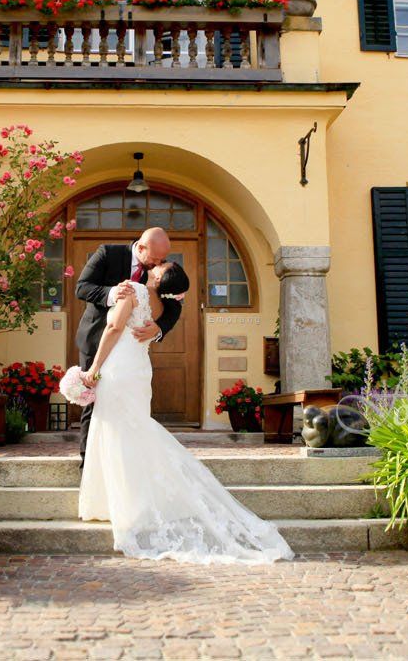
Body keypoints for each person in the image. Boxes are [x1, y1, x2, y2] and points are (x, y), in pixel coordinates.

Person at [76, 260, 295, 564]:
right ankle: (124, 501)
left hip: (119, 366)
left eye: (161, 266)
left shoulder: (135, 290)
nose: (155, 265)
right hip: (138, 369)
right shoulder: (160, 304)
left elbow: (113, 328)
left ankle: (119, 505)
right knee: (130, 430)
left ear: (159, 277)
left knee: (115, 430)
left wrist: (94, 368)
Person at [73, 227, 182, 470]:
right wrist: (112, 293)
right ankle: (89, 464)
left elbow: (174, 306)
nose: (158, 264)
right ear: (141, 247)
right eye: (155, 258)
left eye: (162, 260)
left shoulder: (160, 272)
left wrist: (159, 328)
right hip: (96, 339)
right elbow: (82, 287)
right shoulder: (108, 253)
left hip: (128, 351)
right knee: (93, 403)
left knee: (129, 408)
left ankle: (127, 465)